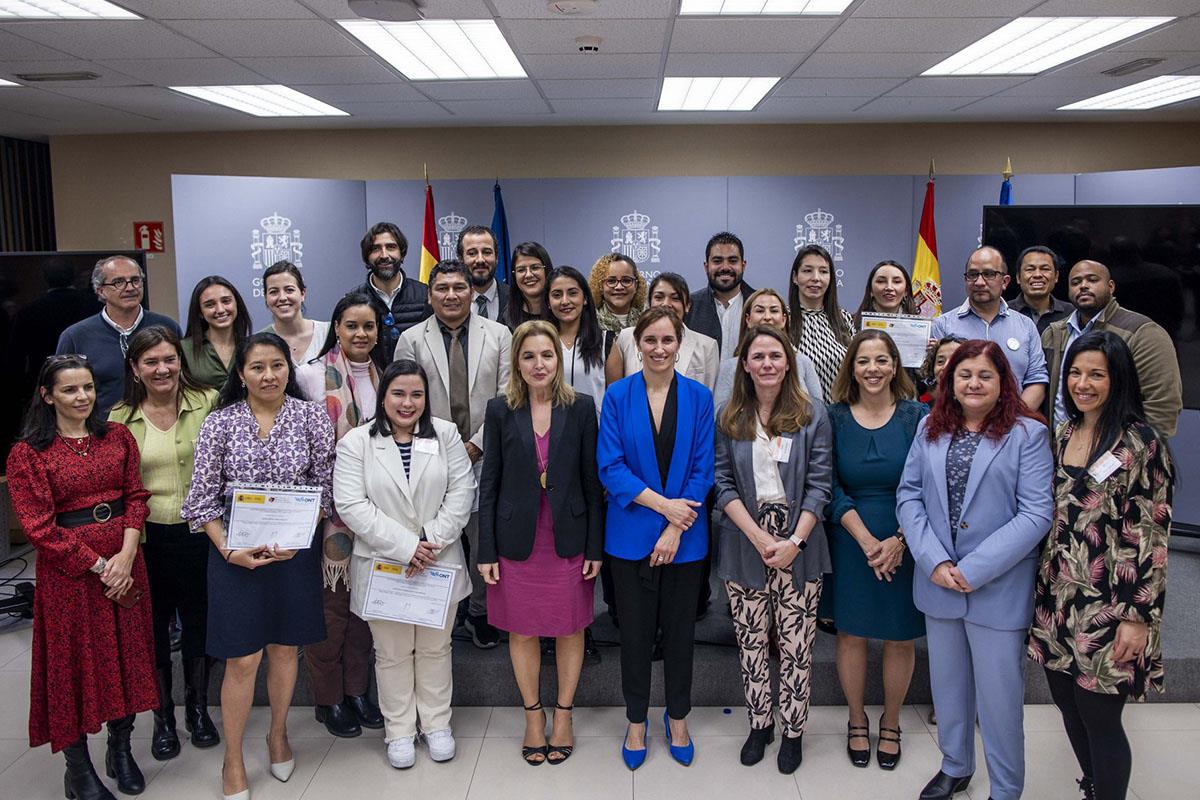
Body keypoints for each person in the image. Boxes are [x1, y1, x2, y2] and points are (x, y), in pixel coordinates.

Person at [897, 339, 1054, 800]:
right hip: (939, 580)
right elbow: (909, 496)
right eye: (964, 374)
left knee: (999, 700)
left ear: (1004, 381)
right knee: (948, 687)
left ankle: (1005, 787)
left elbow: (1036, 514)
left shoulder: (1028, 434)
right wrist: (935, 560)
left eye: (985, 375)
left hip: (997, 586)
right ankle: (955, 765)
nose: (973, 383)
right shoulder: (930, 426)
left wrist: (974, 568)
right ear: (949, 380)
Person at [181, 332, 335, 800]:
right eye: (257, 367)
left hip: (293, 554)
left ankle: (278, 734)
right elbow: (201, 500)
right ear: (241, 374)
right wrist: (228, 550)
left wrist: (298, 538)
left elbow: (324, 488)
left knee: (286, 650)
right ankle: (232, 760)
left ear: (289, 368)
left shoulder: (311, 417)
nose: (269, 376)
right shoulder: (221, 423)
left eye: (277, 365)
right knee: (243, 658)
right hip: (234, 556)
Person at [1029, 331, 1174, 800]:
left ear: (1119, 379)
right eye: (1075, 372)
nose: (1082, 383)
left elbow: (1154, 541)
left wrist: (1137, 619)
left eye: (1096, 374)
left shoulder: (1141, 444)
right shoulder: (1066, 432)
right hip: (1057, 597)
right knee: (1067, 704)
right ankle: (1093, 784)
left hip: (1112, 606)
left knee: (1100, 716)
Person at [6, 354, 157, 800]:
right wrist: (99, 565)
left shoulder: (117, 437)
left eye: (88, 387)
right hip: (72, 579)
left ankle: (121, 749)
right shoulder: (28, 454)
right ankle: (78, 770)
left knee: (126, 657)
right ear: (47, 395)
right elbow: (38, 527)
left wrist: (126, 555)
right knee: (75, 666)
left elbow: (135, 496)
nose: (82, 397)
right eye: (70, 389)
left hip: (126, 566)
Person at [333, 360, 476, 770]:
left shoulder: (446, 434)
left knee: (435, 648)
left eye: (416, 394)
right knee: (392, 653)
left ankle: (436, 725)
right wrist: (406, 547)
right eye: (398, 393)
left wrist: (428, 543)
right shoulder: (357, 442)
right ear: (383, 397)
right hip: (385, 565)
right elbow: (351, 505)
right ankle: (398, 730)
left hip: (439, 560)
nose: (407, 402)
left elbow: (461, 492)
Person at [478, 320, 604, 766]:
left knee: (571, 627)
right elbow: (488, 484)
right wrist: (486, 550)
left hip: (568, 539)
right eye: (528, 356)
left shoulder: (583, 407)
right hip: (517, 541)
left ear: (559, 359)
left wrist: (594, 547)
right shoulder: (499, 410)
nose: (538, 364)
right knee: (523, 629)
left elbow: (593, 484)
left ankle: (564, 713)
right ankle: (533, 716)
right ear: (517, 361)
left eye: (546, 355)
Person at [598, 306, 714, 770]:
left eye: (668, 341)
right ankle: (636, 720)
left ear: (679, 344)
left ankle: (679, 717)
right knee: (636, 635)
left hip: (685, 536)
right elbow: (610, 467)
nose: (659, 349)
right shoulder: (617, 396)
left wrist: (673, 524)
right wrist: (664, 508)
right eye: (650, 341)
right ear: (636, 345)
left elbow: (703, 469)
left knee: (681, 633)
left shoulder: (700, 397)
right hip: (630, 536)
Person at [713, 324, 832, 774]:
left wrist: (794, 542)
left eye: (774, 357)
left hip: (801, 541)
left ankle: (794, 730)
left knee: (797, 645)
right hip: (746, 540)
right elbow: (722, 484)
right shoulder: (728, 415)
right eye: (757, 356)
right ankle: (760, 723)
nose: (766, 364)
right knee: (752, 642)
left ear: (789, 363)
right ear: (744, 364)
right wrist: (761, 537)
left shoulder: (812, 414)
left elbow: (821, 485)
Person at [108, 327, 220, 762]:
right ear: (135, 368)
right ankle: (163, 718)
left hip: (199, 536)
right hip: (144, 542)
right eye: (151, 362)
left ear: (181, 361)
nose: (162, 369)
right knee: (153, 632)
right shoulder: (118, 418)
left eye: (169, 359)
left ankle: (197, 709)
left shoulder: (207, 402)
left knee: (199, 625)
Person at [819, 330, 926, 771]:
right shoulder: (834, 417)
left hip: (906, 538)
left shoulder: (917, 417)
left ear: (895, 365)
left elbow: (926, 485)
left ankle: (894, 721)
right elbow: (828, 485)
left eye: (882, 360)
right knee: (853, 633)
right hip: (850, 539)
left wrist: (900, 540)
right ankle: (857, 719)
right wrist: (865, 540)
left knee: (900, 635)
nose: (873, 369)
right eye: (864, 361)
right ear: (852, 367)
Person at [394, 260, 512, 650]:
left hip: (486, 453)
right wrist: (440, 448)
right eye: (441, 288)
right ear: (429, 295)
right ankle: (443, 610)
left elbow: (508, 397)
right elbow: (403, 400)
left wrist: (477, 444)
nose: (450, 295)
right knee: (439, 538)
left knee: (482, 540)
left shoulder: (499, 335)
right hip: (429, 456)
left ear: (471, 292)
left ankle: (479, 611)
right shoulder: (411, 339)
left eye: (459, 287)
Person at [295, 293, 385, 739]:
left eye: (369, 326)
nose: (361, 334)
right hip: (333, 516)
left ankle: (357, 692)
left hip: (381, 511)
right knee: (332, 613)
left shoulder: (385, 375)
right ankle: (328, 699)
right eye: (352, 325)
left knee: (365, 610)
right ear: (337, 327)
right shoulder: (310, 376)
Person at [1042, 259, 1182, 437]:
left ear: (1111, 286)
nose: (1083, 286)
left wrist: (1120, 456)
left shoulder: (1142, 333)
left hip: (1117, 455)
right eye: (1076, 282)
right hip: (1058, 451)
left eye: (1092, 280)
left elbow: (1162, 407)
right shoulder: (1054, 334)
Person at [56, 255, 180, 413]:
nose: (130, 288)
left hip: (161, 425)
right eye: (119, 282)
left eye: (135, 280)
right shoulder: (75, 336)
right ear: (100, 291)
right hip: (101, 431)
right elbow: (62, 391)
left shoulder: (167, 327)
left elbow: (184, 380)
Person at [931, 246, 1049, 411]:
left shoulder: (1025, 325)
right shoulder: (943, 325)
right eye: (973, 275)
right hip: (959, 426)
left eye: (989, 274)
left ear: (1005, 281)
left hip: (1014, 427)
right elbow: (935, 384)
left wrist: (1013, 421)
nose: (979, 282)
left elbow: (1036, 380)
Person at [606, 272, 719, 390]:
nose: (666, 304)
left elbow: (709, 396)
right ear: (649, 303)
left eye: (675, 298)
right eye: (659, 297)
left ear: (687, 305)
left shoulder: (707, 346)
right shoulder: (627, 337)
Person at [713, 288, 823, 409]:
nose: (767, 317)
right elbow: (720, 417)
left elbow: (818, 412)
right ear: (748, 320)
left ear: (783, 319)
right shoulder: (728, 367)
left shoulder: (803, 362)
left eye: (774, 311)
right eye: (760, 311)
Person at [350, 222, 431, 363]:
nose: (384, 255)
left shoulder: (425, 295)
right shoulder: (353, 301)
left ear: (402, 253)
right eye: (376, 249)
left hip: (417, 382)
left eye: (391, 247)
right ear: (367, 257)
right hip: (372, 383)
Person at [787, 244, 855, 403]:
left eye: (823, 271)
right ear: (795, 277)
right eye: (807, 271)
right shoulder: (783, 318)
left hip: (841, 413)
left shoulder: (843, 318)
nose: (816, 278)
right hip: (799, 417)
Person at [544, 265, 607, 414]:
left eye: (572, 293)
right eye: (557, 295)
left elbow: (616, 401)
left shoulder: (605, 342)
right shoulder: (540, 343)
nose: (565, 301)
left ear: (585, 298)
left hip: (596, 433)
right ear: (548, 302)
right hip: (550, 432)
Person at [687, 231, 755, 361]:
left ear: (743, 265)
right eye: (717, 261)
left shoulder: (759, 306)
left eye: (733, 260)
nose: (725, 267)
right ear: (706, 267)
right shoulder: (689, 306)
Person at [181, 275, 252, 390]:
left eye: (226, 301)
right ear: (200, 312)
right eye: (210, 305)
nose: (220, 310)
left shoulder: (252, 347)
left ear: (236, 304)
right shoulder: (184, 349)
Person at [261, 260, 330, 366]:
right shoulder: (258, 342)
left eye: (289, 290)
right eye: (274, 292)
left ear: (302, 293)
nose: (282, 298)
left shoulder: (329, 333)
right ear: (266, 298)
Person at [588, 253, 646, 359]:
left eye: (626, 280)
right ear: (600, 286)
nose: (619, 287)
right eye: (611, 281)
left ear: (636, 285)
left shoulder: (647, 322)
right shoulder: (589, 323)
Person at [1008, 246, 1072, 333]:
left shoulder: (1071, 314)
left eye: (1045, 269)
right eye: (1030, 269)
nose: (1037, 275)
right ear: (1018, 277)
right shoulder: (1005, 312)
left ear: (1056, 276)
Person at [459, 224, 508, 321]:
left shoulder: (516, 299)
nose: (480, 260)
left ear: (496, 258)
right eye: (472, 253)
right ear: (461, 259)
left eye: (487, 252)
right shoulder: (450, 301)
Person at [852, 259, 917, 328]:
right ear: (870, 290)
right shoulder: (850, 325)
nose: (889, 287)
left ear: (906, 290)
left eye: (896, 281)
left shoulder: (919, 328)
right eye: (881, 281)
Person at [505, 241, 552, 331]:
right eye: (521, 270)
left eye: (535, 267)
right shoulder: (507, 317)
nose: (528, 275)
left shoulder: (561, 310)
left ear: (547, 270)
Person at [918, 335, 965, 405]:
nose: (946, 366)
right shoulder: (924, 411)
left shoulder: (980, 408)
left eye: (955, 360)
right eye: (940, 361)